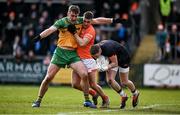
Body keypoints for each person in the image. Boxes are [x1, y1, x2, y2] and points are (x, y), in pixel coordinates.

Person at [31, 5, 124, 108]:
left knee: (84, 74)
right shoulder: (62, 22)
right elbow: (50, 29)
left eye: (75, 16)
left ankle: (87, 101)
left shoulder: (81, 21)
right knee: (48, 77)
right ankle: (38, 100)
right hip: (60, 53)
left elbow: (97, 20)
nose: (74, 18)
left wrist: (113, 20)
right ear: (68, 13)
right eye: (72, 15)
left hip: (73, 54)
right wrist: (39, 37)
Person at [68, 11, 110, 108]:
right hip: (77, 59)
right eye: (84, 21)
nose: (86, 23)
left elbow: (82, 43)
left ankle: (105, 98)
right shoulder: (80, 25)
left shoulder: (91, 30)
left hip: (88, 60)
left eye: (88, 22)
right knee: (74, 84)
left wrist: (74, 32)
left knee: (93, 84)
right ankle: (93, 94)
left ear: (91, 22)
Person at [90, 40, 140, 109]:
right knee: (110, 80)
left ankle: (135, 93)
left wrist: (106, 67)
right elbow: (104, 59)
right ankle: (123, 96)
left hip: (123, 58)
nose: (95, 58)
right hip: (113, 58)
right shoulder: (96, 48)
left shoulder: (108, 49)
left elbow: (115, 63)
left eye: (96, 56)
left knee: (124, 82)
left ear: (99, 51)